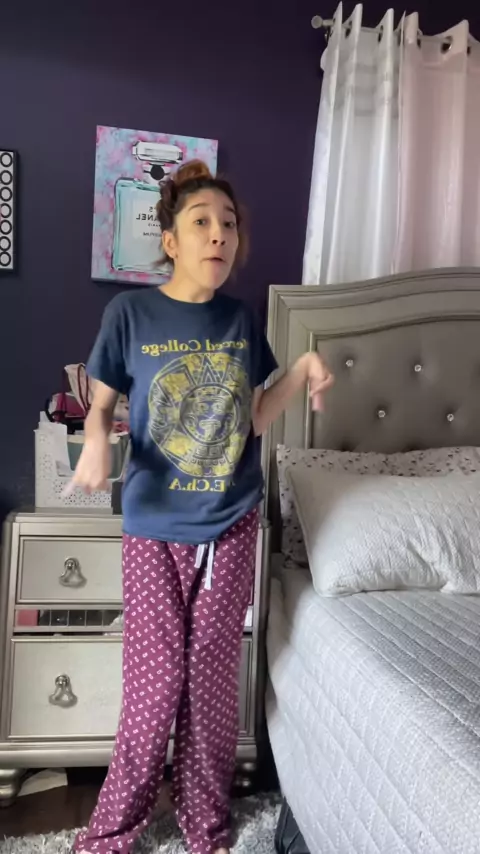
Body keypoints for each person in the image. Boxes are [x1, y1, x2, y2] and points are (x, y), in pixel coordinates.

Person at [71, 160, 334, 854]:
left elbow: (253, 418)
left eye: (229, 223)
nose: (219, 234)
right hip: (154, 526)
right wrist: (95, 445)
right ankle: (111, 832)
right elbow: (98, 408)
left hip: (231, 524)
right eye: (202, 222)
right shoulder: (130, 315)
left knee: (211, 686)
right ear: (171, 240)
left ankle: (206, 825)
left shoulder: (240, 321)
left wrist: (302, 370)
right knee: (155, 687)